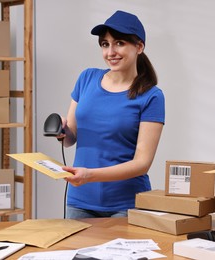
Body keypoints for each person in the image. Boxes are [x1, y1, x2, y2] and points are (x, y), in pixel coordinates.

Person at [58, 10, 165, 219]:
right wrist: (62, 131)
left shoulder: (151, 96)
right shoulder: (87, 78)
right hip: (79, 200)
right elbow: (69, 139)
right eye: (105, 44)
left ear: (139, 47)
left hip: (125, 204)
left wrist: (90, 175)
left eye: (119, 43)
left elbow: (142, 163)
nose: (110, 52)